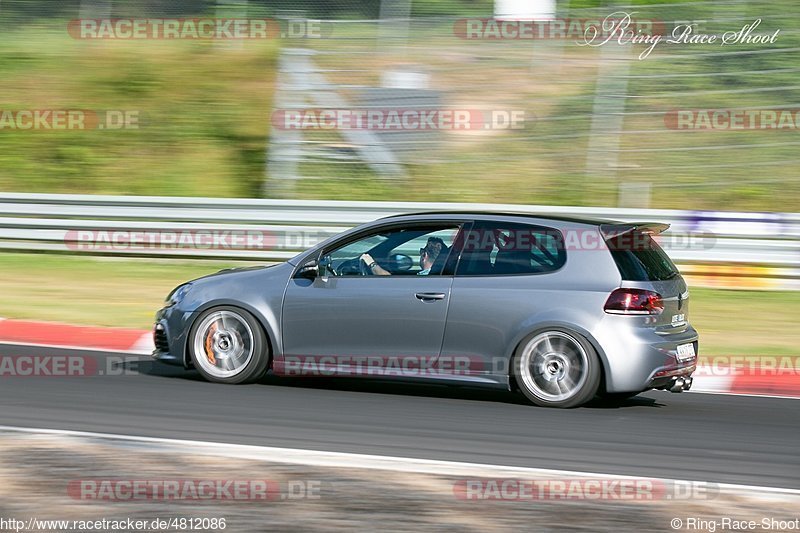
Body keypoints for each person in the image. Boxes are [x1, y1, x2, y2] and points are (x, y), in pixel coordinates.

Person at [360, 237, 445, 276]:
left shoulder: (426, 277)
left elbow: (389, 282)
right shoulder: (438, 274)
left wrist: (371, 263)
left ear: (424, 255)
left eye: (421, 251)